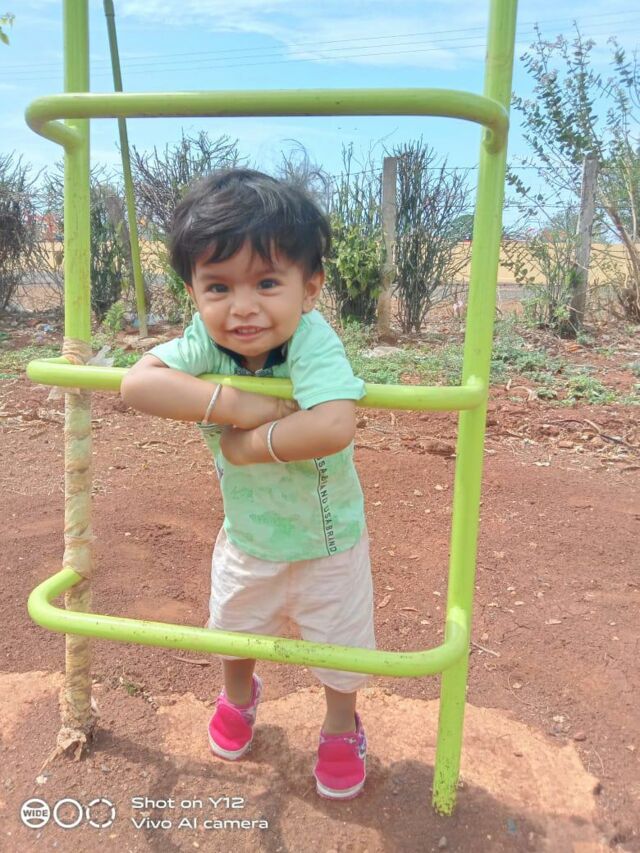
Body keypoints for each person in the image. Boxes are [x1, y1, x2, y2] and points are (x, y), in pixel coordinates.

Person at [121, 168, 375, 800]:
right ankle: (239, 697)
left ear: (309, 288)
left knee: (341, 646)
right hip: (249, 535)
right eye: (218, 286)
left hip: (327, 540)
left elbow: (334, 424)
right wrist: (236, 404)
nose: (242, 307)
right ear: (193, 292)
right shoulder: (207, 343)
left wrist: (250, 444)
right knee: (232, 628)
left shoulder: (311, 341)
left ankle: (340, 726)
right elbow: (137, 384)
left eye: (266, 283)